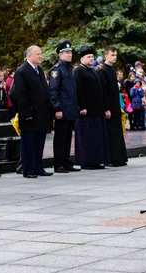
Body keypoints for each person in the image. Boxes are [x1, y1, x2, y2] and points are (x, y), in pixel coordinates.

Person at [15, 45, 53, 178]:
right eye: (38, 54)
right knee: (29, 144)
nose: (40, 56)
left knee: (39, 143)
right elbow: (20, 94)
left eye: (40, 54)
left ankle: (38, 167)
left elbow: (45, 90)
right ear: (29, 56)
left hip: (42, 113)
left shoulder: (39, 69)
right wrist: (26, 113)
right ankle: (28, 169)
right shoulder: (22, 71)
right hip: (30, 114)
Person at [74, 46, 110, 169]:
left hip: (97, 110)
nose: (91, 59)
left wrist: (104, 108)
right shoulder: (78, 71)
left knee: (96, 137)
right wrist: (81, 107)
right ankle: (86, 161)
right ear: (82, 58)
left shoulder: (93, 70)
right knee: (87, 137)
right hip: (86, 111)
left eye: (92, 57)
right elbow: (78, 90)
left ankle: (96, 160)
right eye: (88, 57)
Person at [49, 40, 80, 173]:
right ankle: (58, 163)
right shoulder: (56, 70)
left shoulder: (69, 69)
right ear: (60, 55)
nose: (69, 54)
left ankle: (66, 161)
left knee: (68, 137)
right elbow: (53, 90)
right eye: (66, 52)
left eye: (70, 52)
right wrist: (57, 108)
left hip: (70, 108)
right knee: (60, 137)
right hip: (62, 109)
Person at [98, 45, 128, 166]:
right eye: (112, 55)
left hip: (115, 107)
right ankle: (110, 159)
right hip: (108, 108)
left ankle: (119, 158)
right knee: (110, 134)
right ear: (106, 55)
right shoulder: (103, 71)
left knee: (117, 133)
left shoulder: (111, 70)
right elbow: (103, 92)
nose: (115, 57)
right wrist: (106, 108)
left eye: (116, 55)